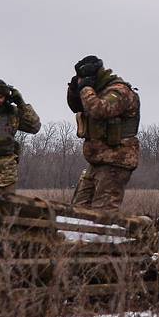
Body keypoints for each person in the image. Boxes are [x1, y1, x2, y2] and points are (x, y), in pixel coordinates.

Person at [67, 55, 141, 210]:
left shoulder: (119, 91)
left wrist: (86, 88)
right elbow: (77, 107)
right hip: (97, 161)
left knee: (103, 215)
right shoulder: (97, 90)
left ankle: (133, 231)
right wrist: (75, 90)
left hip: (116, 161)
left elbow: (99, 110)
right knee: (78, 212)